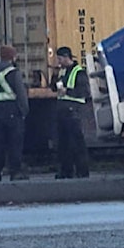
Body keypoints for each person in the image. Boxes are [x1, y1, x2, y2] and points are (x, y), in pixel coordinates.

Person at [0, 45, 29, 182]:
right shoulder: (14, 73)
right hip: (13, 112)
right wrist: (24, 111)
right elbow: (21, 95)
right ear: (12, 57)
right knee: (15, 143)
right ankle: (15, 172)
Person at [52, 46, 90, 179]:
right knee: (63, 143)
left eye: (60, 59)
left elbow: (84, 92)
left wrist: (67, 91)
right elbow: (53, 87)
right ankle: (66, 171)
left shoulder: (79, 72)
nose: (58, 62)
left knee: (76, 142)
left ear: (67, 57)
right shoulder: (62, 71)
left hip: (74, 111)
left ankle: (82, 171)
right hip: (62, 110)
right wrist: (55, 75)